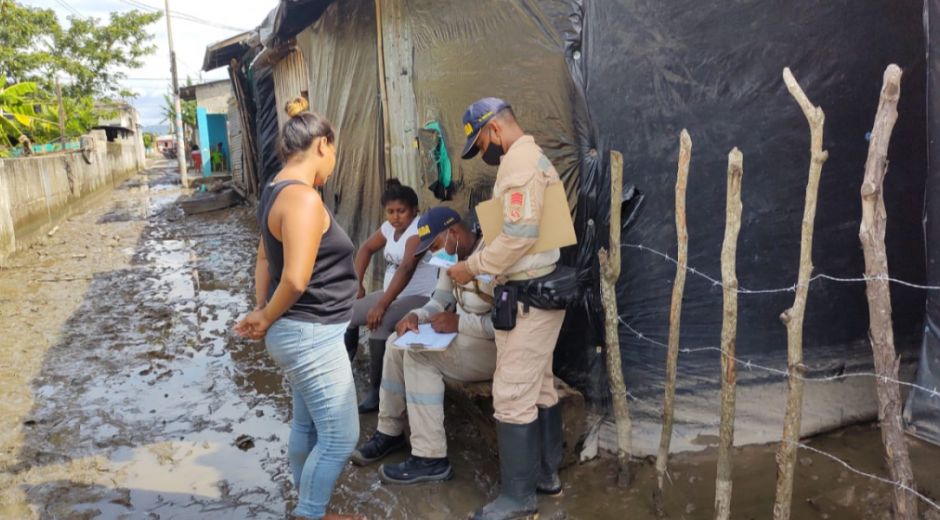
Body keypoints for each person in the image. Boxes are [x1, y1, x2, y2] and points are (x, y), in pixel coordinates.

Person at [234, 97, 363, 520]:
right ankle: (310, 514)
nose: (333, 164)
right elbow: (295, 279)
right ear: (323, 145)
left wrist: (263, 309)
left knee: (308, 426)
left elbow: (264, 260)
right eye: (334, 153)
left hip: (296, 329)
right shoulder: (304, 199)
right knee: (341, 438)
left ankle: (313, 510)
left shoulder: (273, 191)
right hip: (311, 333)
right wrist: (267, 315)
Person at [447, 98, 566, 520]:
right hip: (538, 291)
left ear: (493, 131)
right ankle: (546, 477)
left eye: (479, 144)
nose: (482, 154)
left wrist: (471, 267)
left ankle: (518, 498)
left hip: (528, 298)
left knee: (512, 394)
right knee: (540, 387)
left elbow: (517, 235)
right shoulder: (534, 159)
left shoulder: (518, 165)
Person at [350, 207, 497, 485]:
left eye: (437, 245)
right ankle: (389, 432)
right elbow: (440, 297)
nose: (434, 254)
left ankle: (430, 458)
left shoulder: (491, 255)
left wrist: (459, 323)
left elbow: (506, 324)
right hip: (467, 340)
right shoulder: (452, 256)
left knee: (419, 357)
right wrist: (416, 316)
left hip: (494, 348)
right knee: (396, 342)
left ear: (453, 232)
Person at [345, 179, 440, 413]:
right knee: (347, 311)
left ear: (414, 210)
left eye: (402, 211)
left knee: (381, 322)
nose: (396, 216)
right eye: (390, 211)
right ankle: (344, 369)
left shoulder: (419, 230)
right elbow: (366, 248)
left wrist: (381, 305)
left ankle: (377, 392)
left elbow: (407, 268)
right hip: (392, 295)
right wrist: (358, 284)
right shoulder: (389, 228)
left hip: (421, 297)